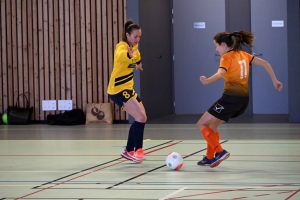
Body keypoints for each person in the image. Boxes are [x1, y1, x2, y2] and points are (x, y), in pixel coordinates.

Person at [197, 31, 283, 168]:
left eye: (216, 46)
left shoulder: (226, 57)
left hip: (230, 99)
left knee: (201, 124)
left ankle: (219, 151)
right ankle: (209, 157)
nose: (216, 49)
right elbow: (265, 63)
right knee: (213, 125)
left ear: (224, 45)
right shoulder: (244, 55)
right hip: (244, 101)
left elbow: (220, 73)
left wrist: (207, 81)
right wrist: (275, 80)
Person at [107, 20, 146, 163]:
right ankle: (138, 150)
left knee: (141, 117)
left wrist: (138, 63)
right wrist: (129, 56)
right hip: (117, 89)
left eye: (139, 37)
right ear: (127, 35)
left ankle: (129, 150)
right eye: (135, 36)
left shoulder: (135, 49)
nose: (138, 39)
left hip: (128, 89)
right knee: (140, 117)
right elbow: (120, 56)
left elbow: (138, 58)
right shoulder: (122, 47)